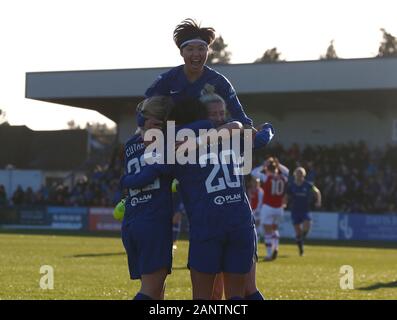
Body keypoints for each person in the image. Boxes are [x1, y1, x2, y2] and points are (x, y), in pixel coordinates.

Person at [121, 98, 275, 300]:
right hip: (239, 222)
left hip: (206, 224)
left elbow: (148, 172)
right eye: (214, 114)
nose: (219, 118)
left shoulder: (174, 147)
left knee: (200, 297)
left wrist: (126, 181)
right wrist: (267, 127)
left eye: (222, 113)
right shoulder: (231, 136)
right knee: (241, 293)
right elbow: (253, 134)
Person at [145, 18, 253, 129]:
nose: (196, 54)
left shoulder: (219, 81)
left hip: (211, 140)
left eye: (201, 49)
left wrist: (249, 129)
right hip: (173, 137)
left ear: (207, 51)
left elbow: (239, 115)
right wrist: (146, 121)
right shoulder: (167, 79)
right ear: (182, 52)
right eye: (190, 49)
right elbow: (147, 109)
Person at [120, 96, 175, 300]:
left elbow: (128, 180)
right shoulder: (167, 145)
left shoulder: (130, 144)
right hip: (153, 222)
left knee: (157, 289)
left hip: (132, 221)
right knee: (150, 291)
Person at [251, 159, 288, 261]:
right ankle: (276, 247)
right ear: (277, 169)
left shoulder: (267, 177)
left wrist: (263, 165)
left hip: (268, 207)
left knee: (267, 231)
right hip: (279, 208)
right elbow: (287, 172)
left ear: (267, 169)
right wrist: (279, 164)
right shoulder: (283, 178)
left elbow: (253, 172)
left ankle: (268, 254)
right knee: (275, 228)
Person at [286, 167, 322, 256]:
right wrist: (284, 203)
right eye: (298, 173)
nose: (299, 175)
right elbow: (286, 196)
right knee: (298, 232)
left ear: (304, 175)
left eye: (301, 173)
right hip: (295, 211)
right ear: (295, 174)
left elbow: (317, 192)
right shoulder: (291, 185)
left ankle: (300, 239)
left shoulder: (308, 185)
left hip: (305, 210)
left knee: (307, 226)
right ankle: (301, 249)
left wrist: (318, 201)